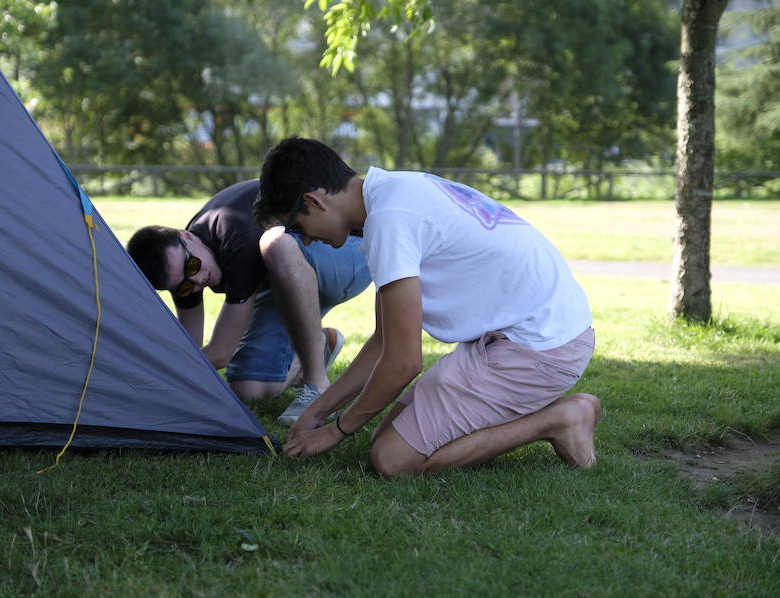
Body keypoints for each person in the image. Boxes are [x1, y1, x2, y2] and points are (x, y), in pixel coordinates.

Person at [254, 137, 599, 476]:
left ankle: (561, 419)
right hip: (522, 337)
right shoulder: (391, 193)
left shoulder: (390, 221)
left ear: (314, 200)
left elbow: (404, 361)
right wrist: (318, 411)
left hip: (542, 349)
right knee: (385, 438)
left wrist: (336, 430)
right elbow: (383, 342)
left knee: (393, 459)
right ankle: (549, 414)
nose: (308, 240)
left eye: (297, 228)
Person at [127, 179, 371, 423]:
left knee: (276, 244)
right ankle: (318, 342)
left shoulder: (236, 235)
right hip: (288, 272)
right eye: (183, 285)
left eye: (193, 267)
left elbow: (220, 353)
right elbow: (189, 348)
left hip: (349, 250)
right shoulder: (181, 262)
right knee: (249, 388)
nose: (198, 280)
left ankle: (316, 384)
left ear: (185, 236)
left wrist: (157, 376)